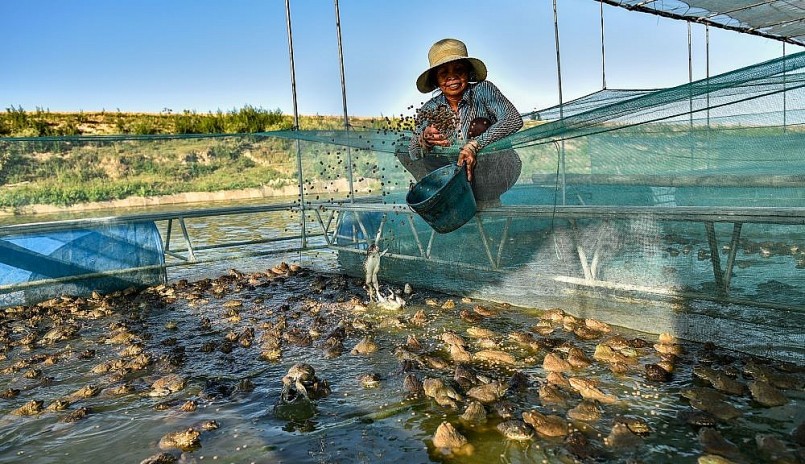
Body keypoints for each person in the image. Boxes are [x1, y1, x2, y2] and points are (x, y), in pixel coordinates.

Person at [402, 38, 523, 207]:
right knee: (402, 145)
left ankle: (487, 200)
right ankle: (445, 195)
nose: (452, 77)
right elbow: (413, 153)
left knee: (479, 126)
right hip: (455, 179)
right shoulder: (430, 108)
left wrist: (474, 145)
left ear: (468, 72)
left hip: (496, 174)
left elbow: (513, 120)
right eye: (444, 73)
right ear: (436, 80)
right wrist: (424, 139)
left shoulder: (483, 90)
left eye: (459, 70)